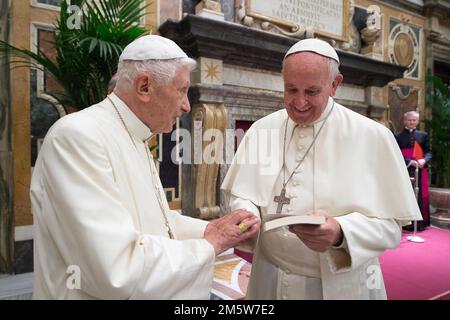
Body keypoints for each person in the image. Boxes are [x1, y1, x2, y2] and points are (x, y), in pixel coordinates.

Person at [30, 35, 260, 299]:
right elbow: (114, 268)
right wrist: (210, 244)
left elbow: (153, 221)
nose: (186, 106)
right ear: (144, 87)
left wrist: (208, 230)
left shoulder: (137, 137)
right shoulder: (77, 137)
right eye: (182, 90)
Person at [221, 38, 422, 299]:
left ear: (335, 85)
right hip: (268, 277)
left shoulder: (372, 136)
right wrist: (246, 213)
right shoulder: (262, 130)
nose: (299, 102)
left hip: (338, 285)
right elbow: (242, 193)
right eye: (291, 89)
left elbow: (392, 227)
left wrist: (340, 233)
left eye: (312, 91)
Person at [395, 111, 432, 231]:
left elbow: (429, 152)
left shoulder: (423, 135)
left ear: (417, 121)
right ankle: (406, 223)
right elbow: (396, 153)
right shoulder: (398, 136)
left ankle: (420, 224)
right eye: (409, 120)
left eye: (414, 120)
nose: (412, 122)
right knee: (406, 194)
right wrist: (409, 162)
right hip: (404, 168)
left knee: (420, 195)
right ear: (405, 121)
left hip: (420, 169)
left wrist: (424, 160)